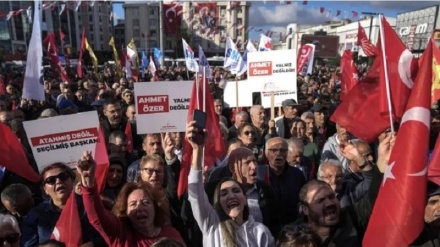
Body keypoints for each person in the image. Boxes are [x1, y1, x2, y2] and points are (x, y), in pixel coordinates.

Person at [186, 120, 275, 246]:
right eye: (223, 193)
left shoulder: (261, 232)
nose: (231, 196)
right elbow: (195, 192)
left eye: (236, 190)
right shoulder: (212, 226)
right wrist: (197, 149)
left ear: (245, 199)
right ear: (217, 203)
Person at [295, 133, 393, 246]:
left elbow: (374, 195)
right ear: (305, 209)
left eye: (332, 197)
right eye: (320, 200)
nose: (329, 203)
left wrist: (380, 161)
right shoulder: (295, 236)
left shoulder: (351, 218)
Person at [77, 151, 184, 246]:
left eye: (145, 202)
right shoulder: (121, 236)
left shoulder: (171, 234)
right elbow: (97, 216)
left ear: (155, 207)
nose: (140, 207)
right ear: (125, 211)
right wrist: (88, 182)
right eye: (133, 204)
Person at [21, 163, 101, 246]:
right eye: (51, 180)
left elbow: (109, 235)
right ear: (45, 189)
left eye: (63, 176)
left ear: (72, 180)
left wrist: (92, 244)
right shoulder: (35, 214)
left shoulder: (89, 205)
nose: (58, 181)